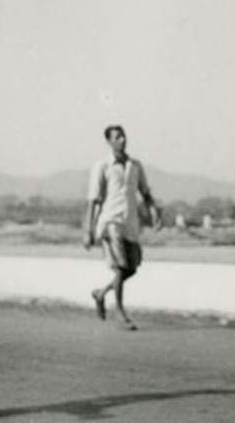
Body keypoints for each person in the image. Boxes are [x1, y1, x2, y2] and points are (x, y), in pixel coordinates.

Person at [84, 124, 161, 330]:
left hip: (130, 223)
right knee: (120, 266)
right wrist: (88, 230)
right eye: (117, 137)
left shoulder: (135, 165)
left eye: (123, 136)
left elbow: (145, 192)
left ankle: (101, 293)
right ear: (108, 141)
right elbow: (93, 200)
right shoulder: (102, 166)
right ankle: (119, 311)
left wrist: (154, 212)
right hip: (110, 222)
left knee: (132, 268)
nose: (122, 140)